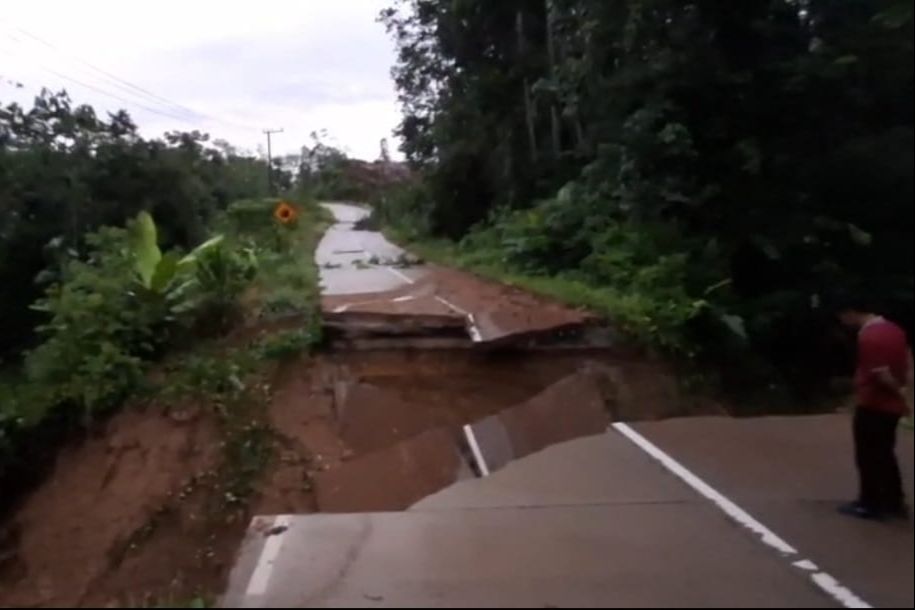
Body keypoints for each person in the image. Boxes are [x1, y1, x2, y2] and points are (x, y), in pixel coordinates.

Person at [836, 296, 912, 520]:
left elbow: (881, 374)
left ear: (851, 312)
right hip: (889, 407)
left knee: (868, 454)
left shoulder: (869, 336)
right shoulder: (894, 329)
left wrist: (899, 393)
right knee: (886, 453)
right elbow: (908, 358)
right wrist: (906, 388)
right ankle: (893, 500)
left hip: (874, 403)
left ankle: (870, 502)